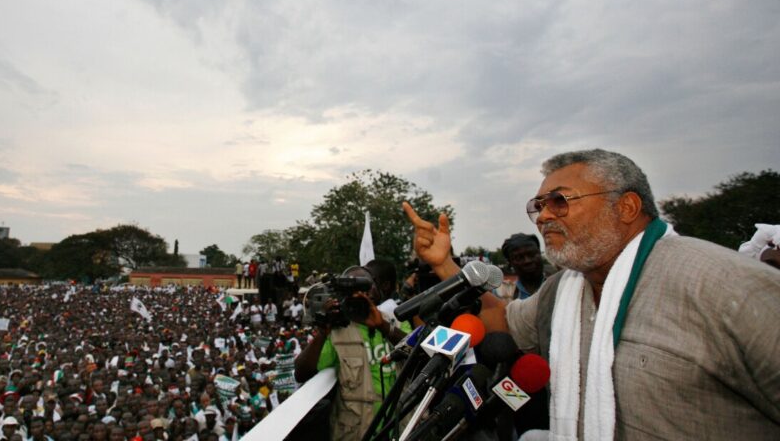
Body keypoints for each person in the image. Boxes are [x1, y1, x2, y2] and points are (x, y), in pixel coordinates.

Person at [404, 149, 780, 439]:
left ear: (627, 207)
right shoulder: (562, 291)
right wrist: (445, 265)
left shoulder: (730, 287)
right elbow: (502, 322)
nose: (543, 217)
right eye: (538, 206)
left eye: (560, 201)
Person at [293, 263, 408, 440]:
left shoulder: (396, 321)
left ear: (376, 290)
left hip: (398, 430)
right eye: (351, 293)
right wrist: (323, 330)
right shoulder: (336, 333)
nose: (360, 296)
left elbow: (419, 354)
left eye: (364, 289)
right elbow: (301, 372)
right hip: (358, 434)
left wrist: (382, 326)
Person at [495, 233, 547, 301]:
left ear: (540, 254)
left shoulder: (560, 287)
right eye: (519, 257)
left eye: (532, 254)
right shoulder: (501, 293)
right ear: (510, 263)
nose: (527, 261)